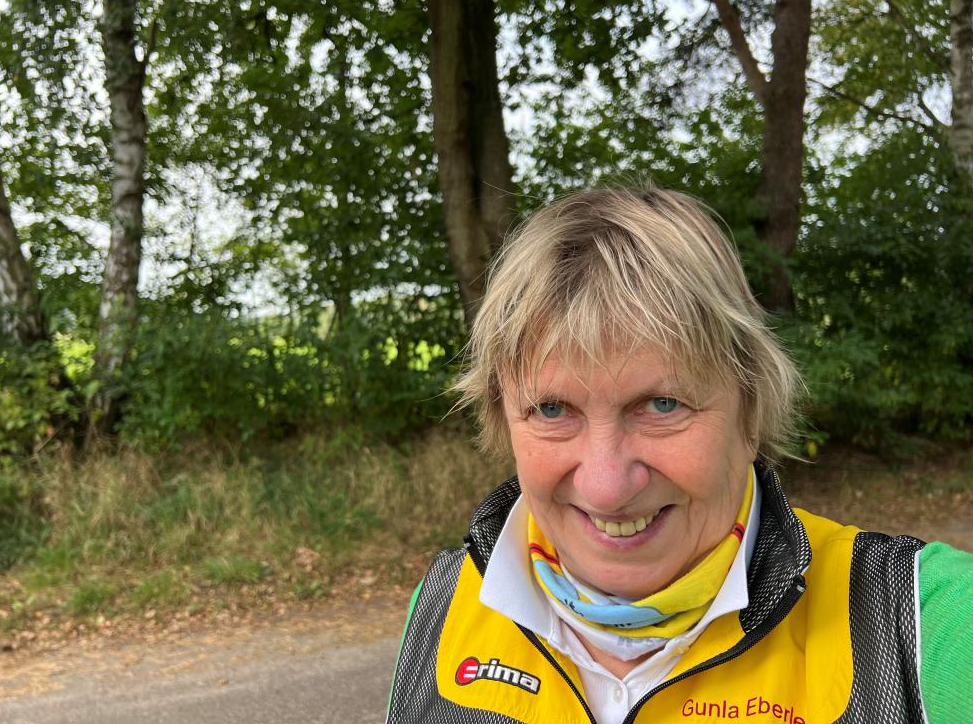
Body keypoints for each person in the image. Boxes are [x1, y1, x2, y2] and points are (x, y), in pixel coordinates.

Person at [385, 187, 973, 724]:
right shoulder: (443, 605)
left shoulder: (925, 624)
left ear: (750, 411)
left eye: (662, 404)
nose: (607, 486)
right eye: (553, 409)